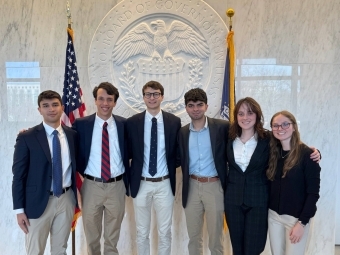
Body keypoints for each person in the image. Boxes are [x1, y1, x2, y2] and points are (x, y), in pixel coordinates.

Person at [225, 97, 320, 255]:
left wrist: (314, 152)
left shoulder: (268, 138)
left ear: (257, 115)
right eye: (240, 114)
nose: (245, 117)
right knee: (237, 248)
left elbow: (290, 147)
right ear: (236, 117)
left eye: (250, 113)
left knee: (254, 249)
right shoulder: (228, 138)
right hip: (233, 201)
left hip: (258, 202)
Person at [12, 90, 78, 254]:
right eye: (46, 106)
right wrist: (19, 210)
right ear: (39, 110)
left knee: (60, 249)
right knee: (35, 250)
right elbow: (18, 176)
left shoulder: (73, 135)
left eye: (55, 105)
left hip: (66, 199)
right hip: (37, 202)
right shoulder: (27, 137)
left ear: (62, 107)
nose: (51, 109)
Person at [72, 82, 129, 255]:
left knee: (112, 238)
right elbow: (63, 138)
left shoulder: (124, 125)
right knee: (92, 236)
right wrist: (29, 131)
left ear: (114, 102)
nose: (105, 103)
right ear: (95, 100)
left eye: (109, 100)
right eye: (101, 99)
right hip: (92, 186)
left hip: (116, 186)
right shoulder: (81, 124)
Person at [126, 80, 181, 255]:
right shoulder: (133, 122)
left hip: (164, 184)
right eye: (148, 94)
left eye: (156, 94)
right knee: (142, 232)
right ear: (143, 97)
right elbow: (128, 152)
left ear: (162, 97)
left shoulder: (174, 122)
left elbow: (177, 153)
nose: (152, 97)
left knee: (165, 231)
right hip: (141, 183)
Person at [177, 88, 229, 255]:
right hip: (191, 186)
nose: (195, 109)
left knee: (215, 239)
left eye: (199, 105)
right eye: (191, 105)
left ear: (206, 106)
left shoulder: (222, 127)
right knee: (194, 238)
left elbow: (247, 138)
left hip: (214, 187)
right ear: (186, 108)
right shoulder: (183, 132)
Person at [267, 110, 321, 255]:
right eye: (276, 125)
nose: (280, 128)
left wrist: (302, 223)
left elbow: (313, 194)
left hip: (296, 219)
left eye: (285, 124)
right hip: (273, 217)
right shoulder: (272, 152)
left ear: (294, 127)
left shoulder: (307, 155)